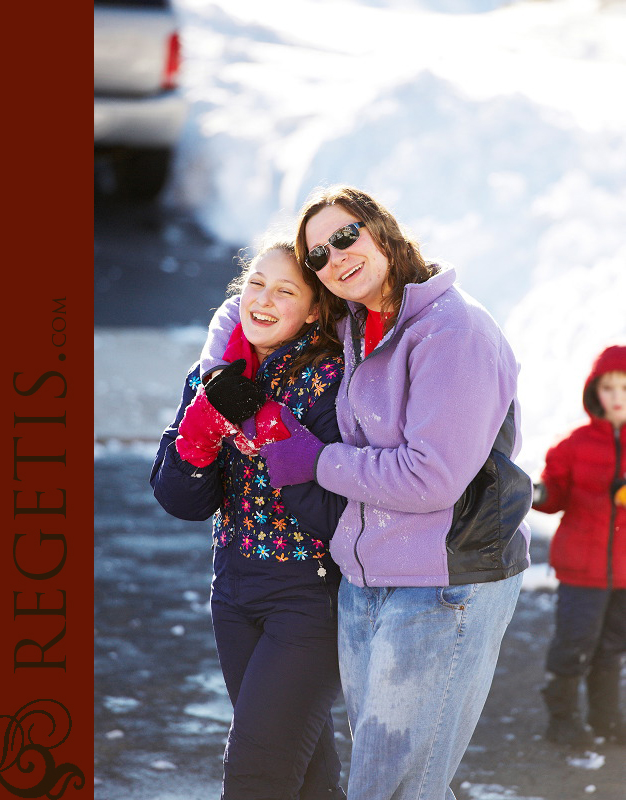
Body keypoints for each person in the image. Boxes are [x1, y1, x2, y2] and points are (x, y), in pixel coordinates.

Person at [200, 185, 532, 800]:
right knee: (394, 778)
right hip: (366, 576)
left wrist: (317, 459)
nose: (336, 257)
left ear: (382, 229)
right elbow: (240, 309)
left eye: (346, 235)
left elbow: (430, 477)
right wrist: (225, 358)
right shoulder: (361, 324)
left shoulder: (451, 331)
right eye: (319, 254)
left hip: (445, 580)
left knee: (394, 785)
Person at [151, 240, 349, 799]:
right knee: (305, 773)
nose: (262, 300)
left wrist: (267, 426)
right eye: (255, 283)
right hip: (232, 593)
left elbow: (333, 515)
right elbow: (182, 501)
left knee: (256, 774)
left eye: (285, 291)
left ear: (314, 309)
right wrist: (199, 430)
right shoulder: (216, 372)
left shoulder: (331, 382)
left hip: (309, 600)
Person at [532, 344, 626, 747]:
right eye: (609, 388)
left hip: (623, 573)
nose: (617, 397)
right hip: (580, 570)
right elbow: (553, 501)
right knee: (574, 644)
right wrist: (538, 493)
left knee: (611, 649)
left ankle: (606, 720)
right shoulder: (573, 445)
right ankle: (563, 719)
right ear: (595, 393)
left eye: (625, 387)